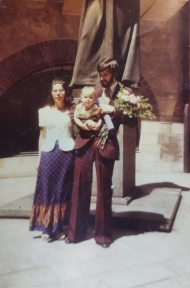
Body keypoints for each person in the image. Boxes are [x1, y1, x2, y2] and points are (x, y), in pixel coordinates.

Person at [65, 58, 137, 248]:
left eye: (105, 75)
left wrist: (113, 109)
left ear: (114, 74)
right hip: (85, 142)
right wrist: (83, 122)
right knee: (79, 186)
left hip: (107, 145)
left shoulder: (125, 93)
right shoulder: (94, 90)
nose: (102, 78)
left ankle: (103, 235)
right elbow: (73, 110)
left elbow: (132, 120)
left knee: (105, 190)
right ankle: (75, 233)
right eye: (100, 74)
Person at [29, 78, 75, 241]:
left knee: (63, 190)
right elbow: (42, 136)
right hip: (49, 153)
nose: (58, 93)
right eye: (55, 90)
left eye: (61, 90)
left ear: (65, 92)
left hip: (67, 154)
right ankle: (47, 228)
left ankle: (60, 227)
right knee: (47, 189)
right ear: (51, 92)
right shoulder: (44, 111)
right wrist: (39, 159)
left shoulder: (72, 110)